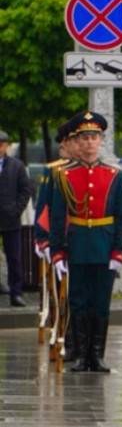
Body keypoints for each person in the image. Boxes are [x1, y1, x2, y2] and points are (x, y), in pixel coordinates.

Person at [47, 112, 122, 373]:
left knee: (101, 302)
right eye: (84, 138)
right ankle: (82, 355)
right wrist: (58, 252)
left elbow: (121, 217)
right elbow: (58, 217)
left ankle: (98, 355)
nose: (89, 143)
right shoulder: (64, 175)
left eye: (94, 137)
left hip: (104, 246)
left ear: (101, 141)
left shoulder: (115, 175)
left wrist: (119, 251)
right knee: (79, 301)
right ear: (78, 142)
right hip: (78, 245)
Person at [34, 122, 77, 358]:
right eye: (69, 141)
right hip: (60, 238)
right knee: (62, 293)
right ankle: (64, 335)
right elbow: (46, 206)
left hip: (82, 239)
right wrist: (44, 239)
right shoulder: (54, 171)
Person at [0, 130, 34, 306]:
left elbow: (26, 190)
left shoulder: (16, 166)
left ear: (6, 146)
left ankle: (16, 292)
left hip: (10, 219)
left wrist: (16, 210)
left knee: (14, 257)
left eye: (2, 144)